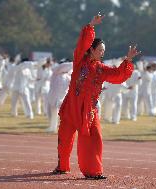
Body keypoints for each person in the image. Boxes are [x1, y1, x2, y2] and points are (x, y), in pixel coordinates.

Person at [53, 13, 140, 179]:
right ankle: (62, 166)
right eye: (100, 50)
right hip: (72, 107)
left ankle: (93, 171)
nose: (102, 53)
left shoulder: (101, 69)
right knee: (64, 140)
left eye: (103, 51)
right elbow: (81, 44)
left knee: (94, 139)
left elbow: (118, 75)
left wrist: (128, 60)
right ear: (91, 49)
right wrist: (91, 26)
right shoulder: (80, 60)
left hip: (88, 111)